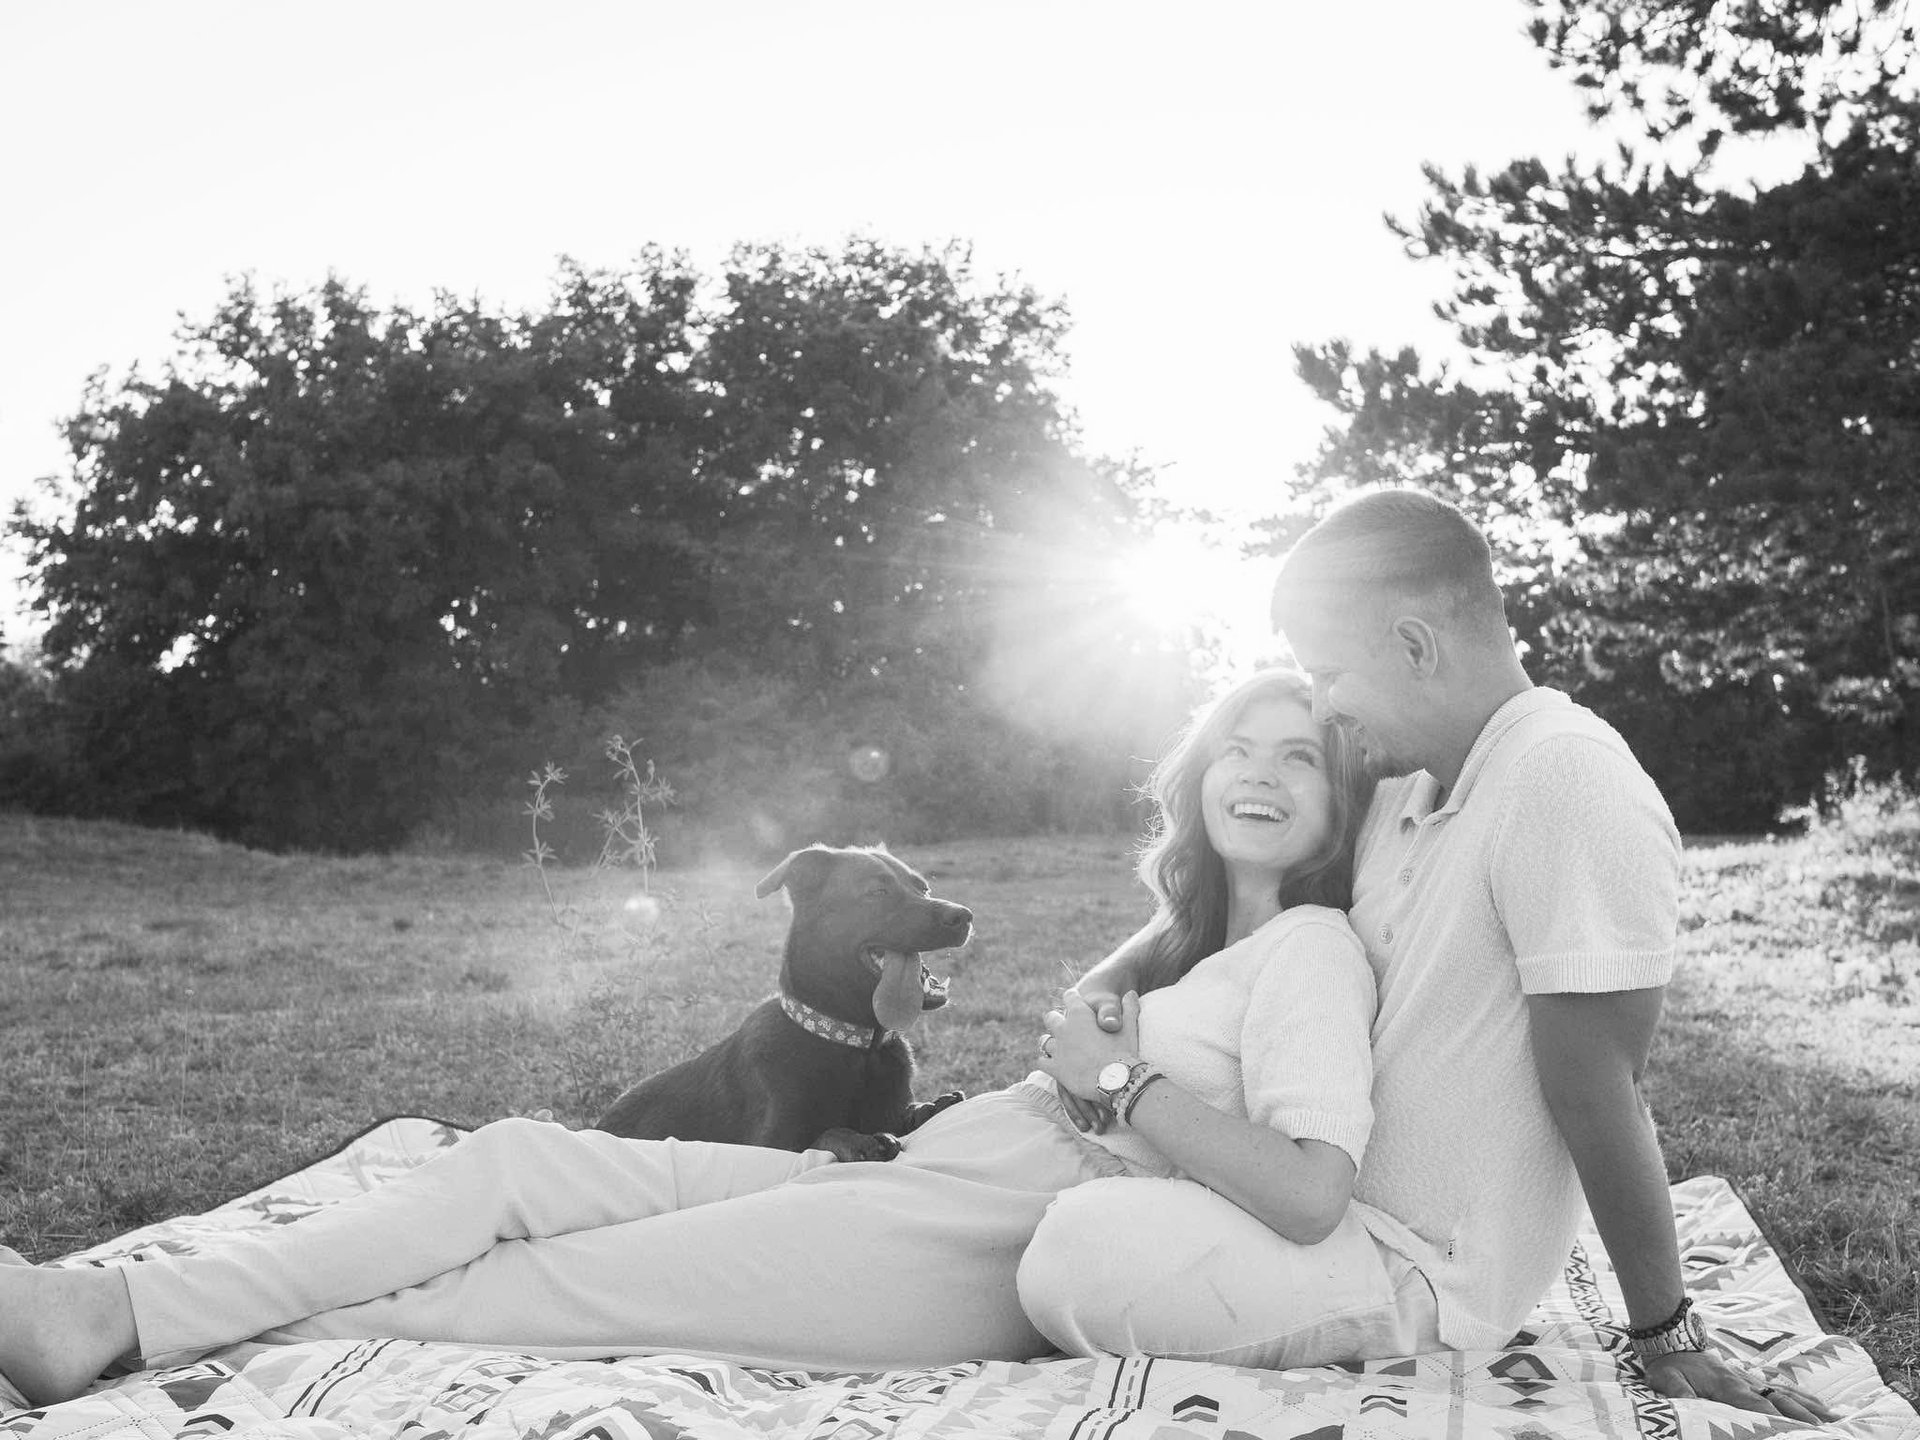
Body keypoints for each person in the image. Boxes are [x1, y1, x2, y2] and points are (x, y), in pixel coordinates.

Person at [0, 669, 1389, 1411]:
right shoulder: (1180, 942)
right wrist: (1079, 1049)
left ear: (1340, 809)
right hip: (919, 1175)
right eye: (1240, 748)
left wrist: (1121, 1084)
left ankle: (116, 1332)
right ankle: (110, 1308)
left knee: (541, 1286)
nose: (1260, 776)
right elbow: (1063, 1055)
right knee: (509, 1169)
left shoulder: (1312, 952)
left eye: (1299, 760)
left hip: (969, 1251)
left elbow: (1311, 1188)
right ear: (1199, 773)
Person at [1052, 488, 1831, 1424]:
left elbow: (1602, 1084)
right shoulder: (1409, 790)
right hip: (1313, 1202)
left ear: (1417, 646)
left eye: (1330, 674)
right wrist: (1110, 985)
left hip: (1419, 1266)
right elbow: (1249, 873)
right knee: (1047, 1200)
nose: (1324, 705)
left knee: (1078, 1252)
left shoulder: (1566, 776)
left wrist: (1665, 1328)